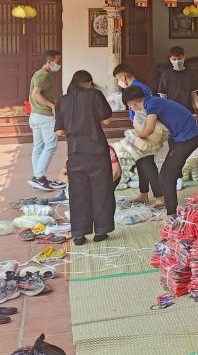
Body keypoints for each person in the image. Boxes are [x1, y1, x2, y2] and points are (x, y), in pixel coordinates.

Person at [55, 71, 117, 246]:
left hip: (75, 153)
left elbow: (59, 131)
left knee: (78, 194)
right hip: (97, 151)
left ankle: (79, 234)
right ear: (89, 83)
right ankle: (101, 231)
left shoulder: (62, 100)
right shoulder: (94, 94)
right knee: (101, 190)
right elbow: (107, 120)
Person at [122, 85, 198, 219]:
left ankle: (171, 214)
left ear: (132, 104)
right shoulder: (152, 101)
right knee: (170, 172)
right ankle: (172, 207)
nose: (132, 108)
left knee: (165, 177)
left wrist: (133, 137)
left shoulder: (152, 105)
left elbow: (149, 129)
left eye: (130, 106)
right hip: (181, 137)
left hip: (187, 138)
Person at [113, 63, 161, 206]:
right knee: (140, 162)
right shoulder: (136, 87)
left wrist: (142, 133)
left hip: (146, 129)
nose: (119, 82)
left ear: (123, 76)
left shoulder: (140, 88)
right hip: (140, 129)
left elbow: (147, 112)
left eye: (118, 78)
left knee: (147, 163)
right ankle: (144, 194)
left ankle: (160, 197)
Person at [28, 50, 66, 192]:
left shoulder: (39, 73)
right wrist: (52, 105)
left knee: (38, 147)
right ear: (49, 62)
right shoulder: (44, 75)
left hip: (35, 115)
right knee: (50, 146)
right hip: (44, 116)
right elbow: (35, 94)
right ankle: (39, 177)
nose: (59, 64)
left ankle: (38, 178)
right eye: (57, 62)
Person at [158, 46, 198, 124]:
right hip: (172, 112)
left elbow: (193, 93)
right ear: (170, 59)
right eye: (174, 59)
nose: (177, 61)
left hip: (188, 110)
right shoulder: (165, 75)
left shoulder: (190, 73)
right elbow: (162, 96)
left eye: (179, 58)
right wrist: (165, 111)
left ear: (184, 57)